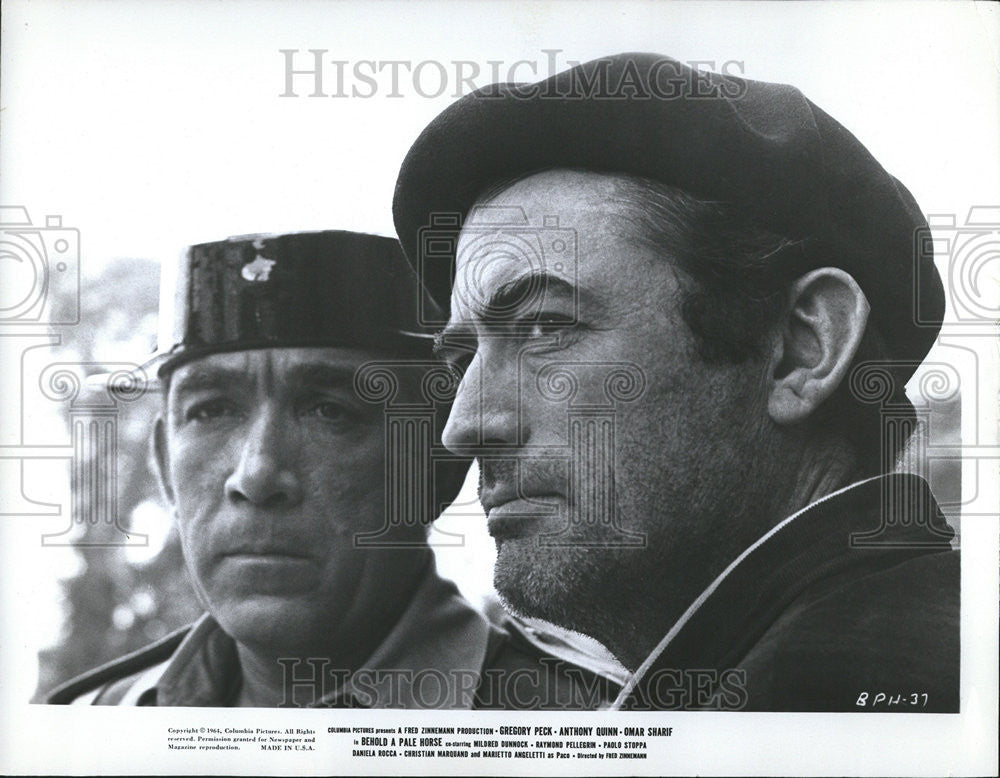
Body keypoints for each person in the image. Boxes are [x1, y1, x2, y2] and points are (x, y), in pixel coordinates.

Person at [391, 53, 960, 712]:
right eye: (463, 358)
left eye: (545, 327)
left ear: (803, 349)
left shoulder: (831, 706)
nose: (462, 427)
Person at [46, 230, 622, 708]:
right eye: (212, 410)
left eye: (330, 411)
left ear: (438, 469)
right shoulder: (94, 722)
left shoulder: (582, 732)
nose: (257, 475)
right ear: (166, 469)